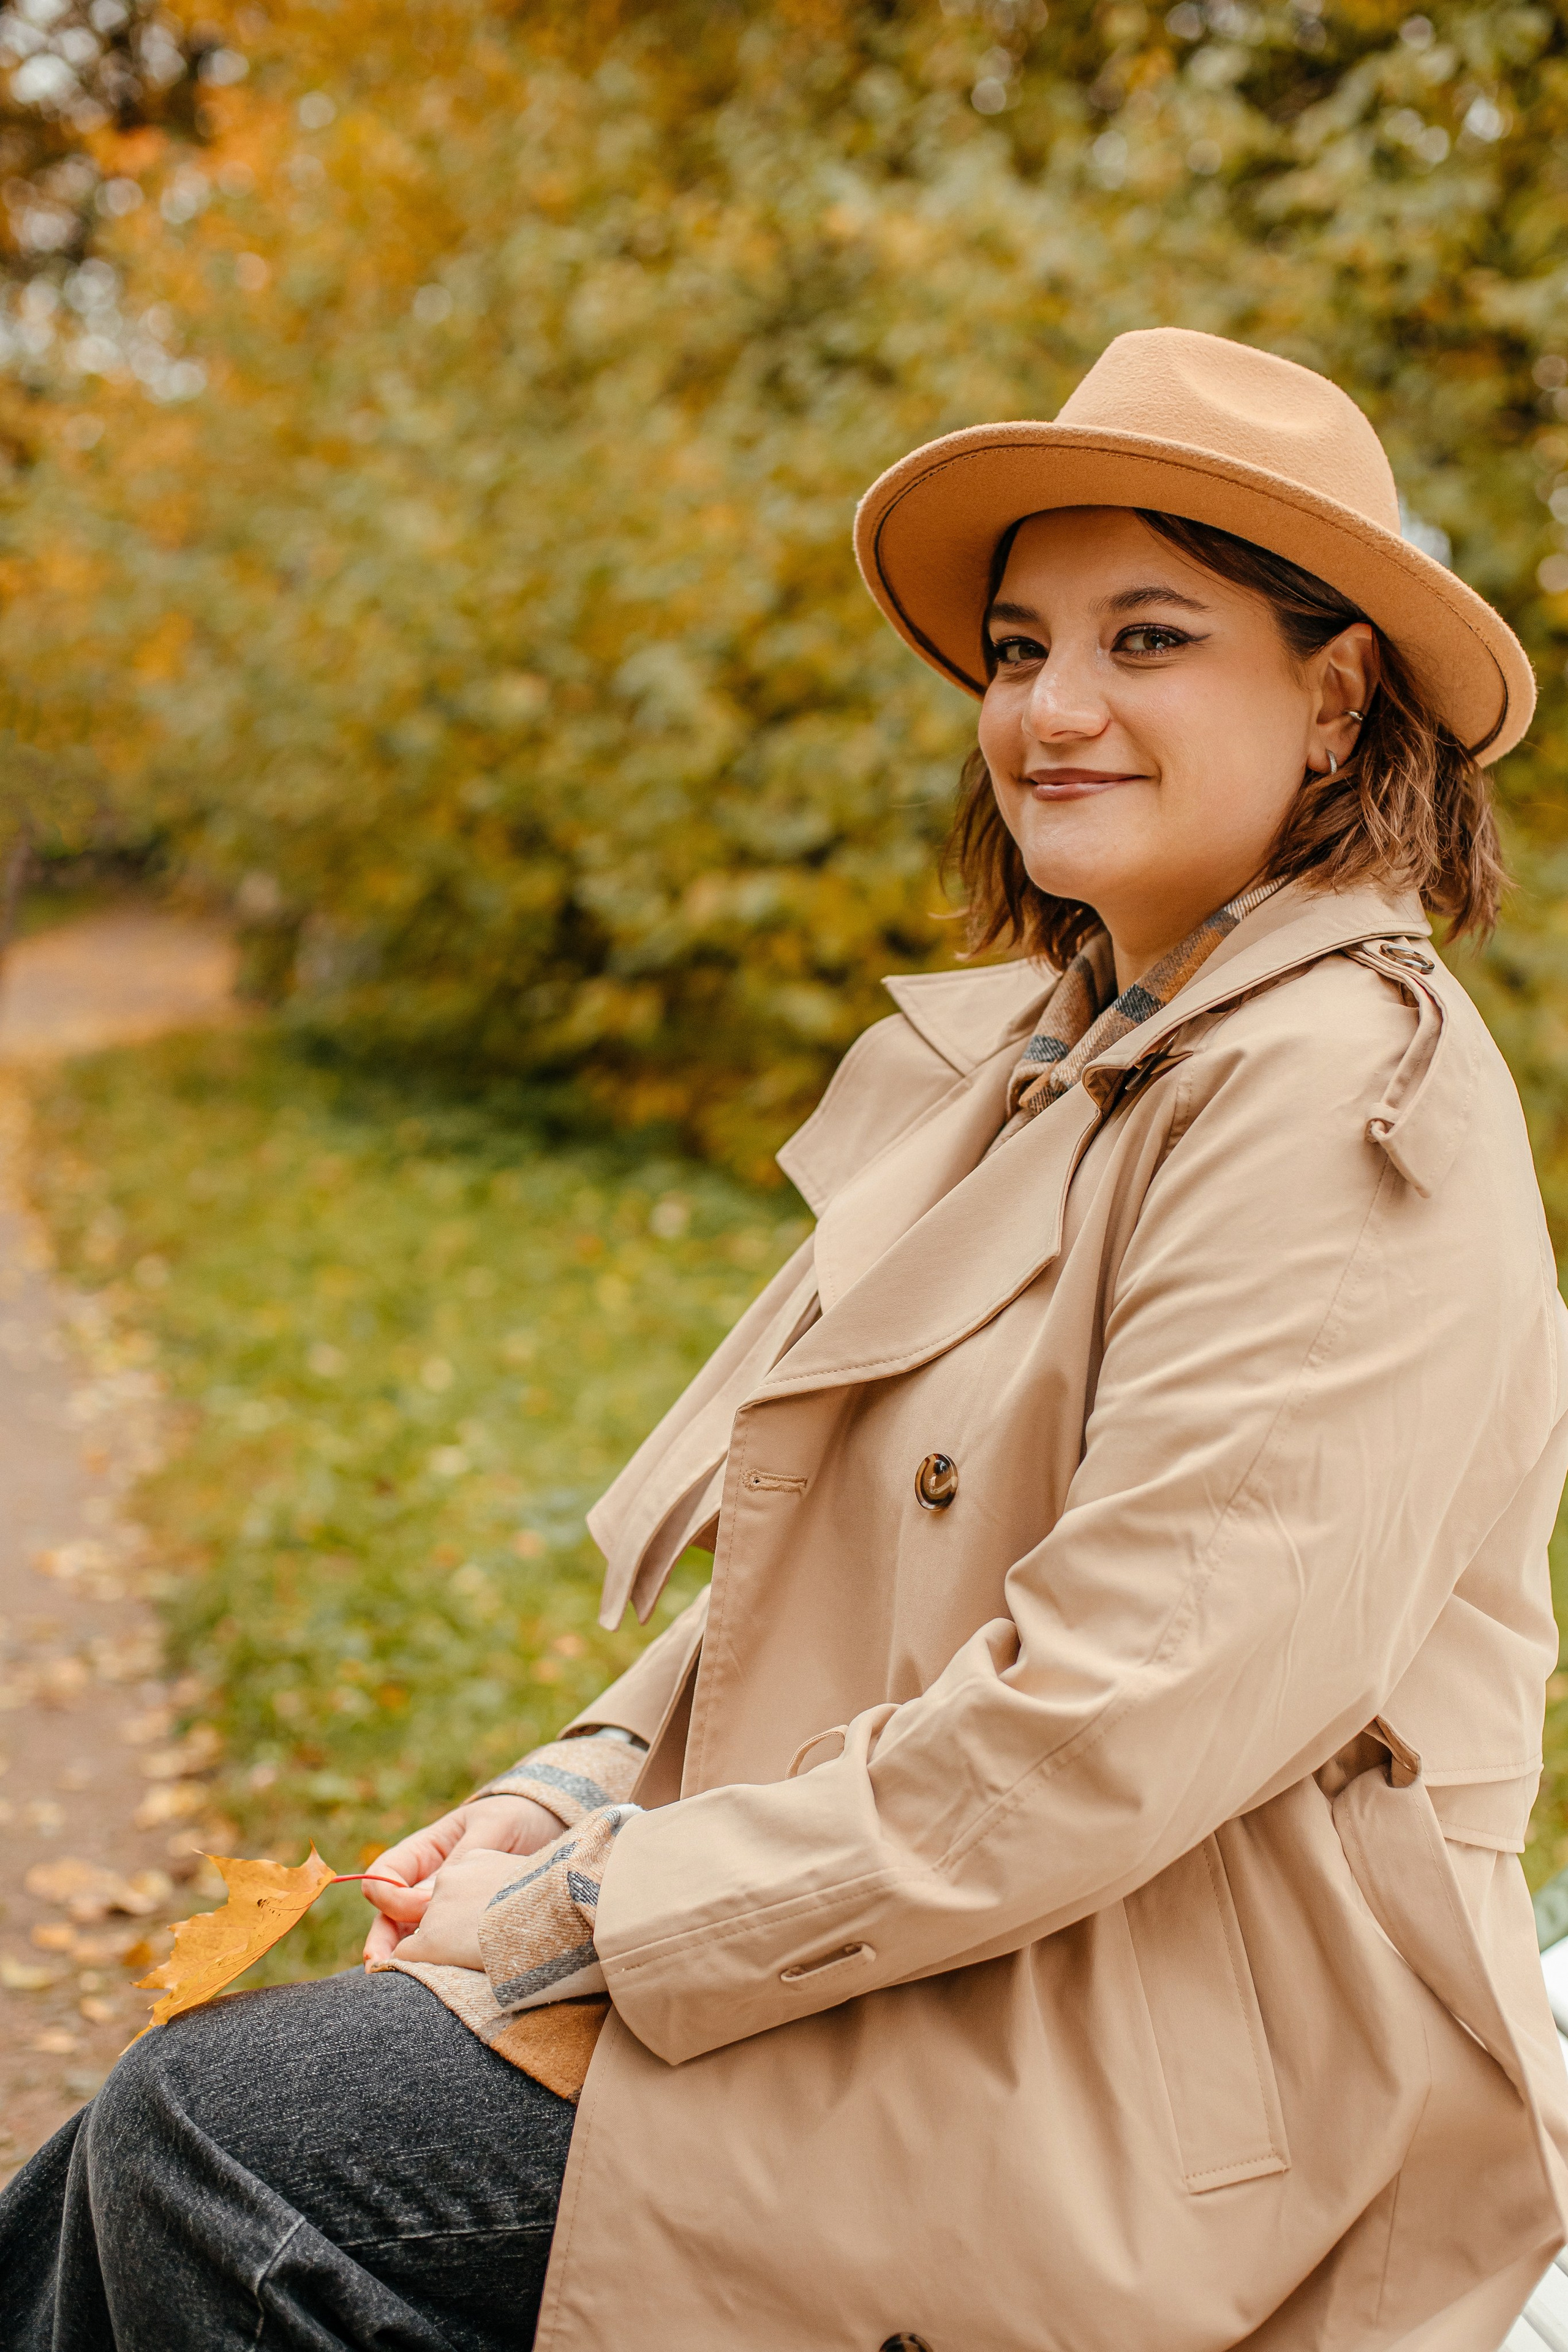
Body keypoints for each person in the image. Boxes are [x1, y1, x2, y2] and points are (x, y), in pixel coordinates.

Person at [4, 325, 1567, 2352]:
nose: (1054, 710)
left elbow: (1108, 1723)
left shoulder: (1349, 1101)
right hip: (978, 1943)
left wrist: (593, 1919)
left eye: (1151, 639)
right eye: (1019, 649)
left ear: (1337, 696)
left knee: (216, 2146)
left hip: (1178, 2064)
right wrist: (571, 1797)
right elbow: (849, 1559)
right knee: (113, 2170)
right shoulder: (1071, 1058)